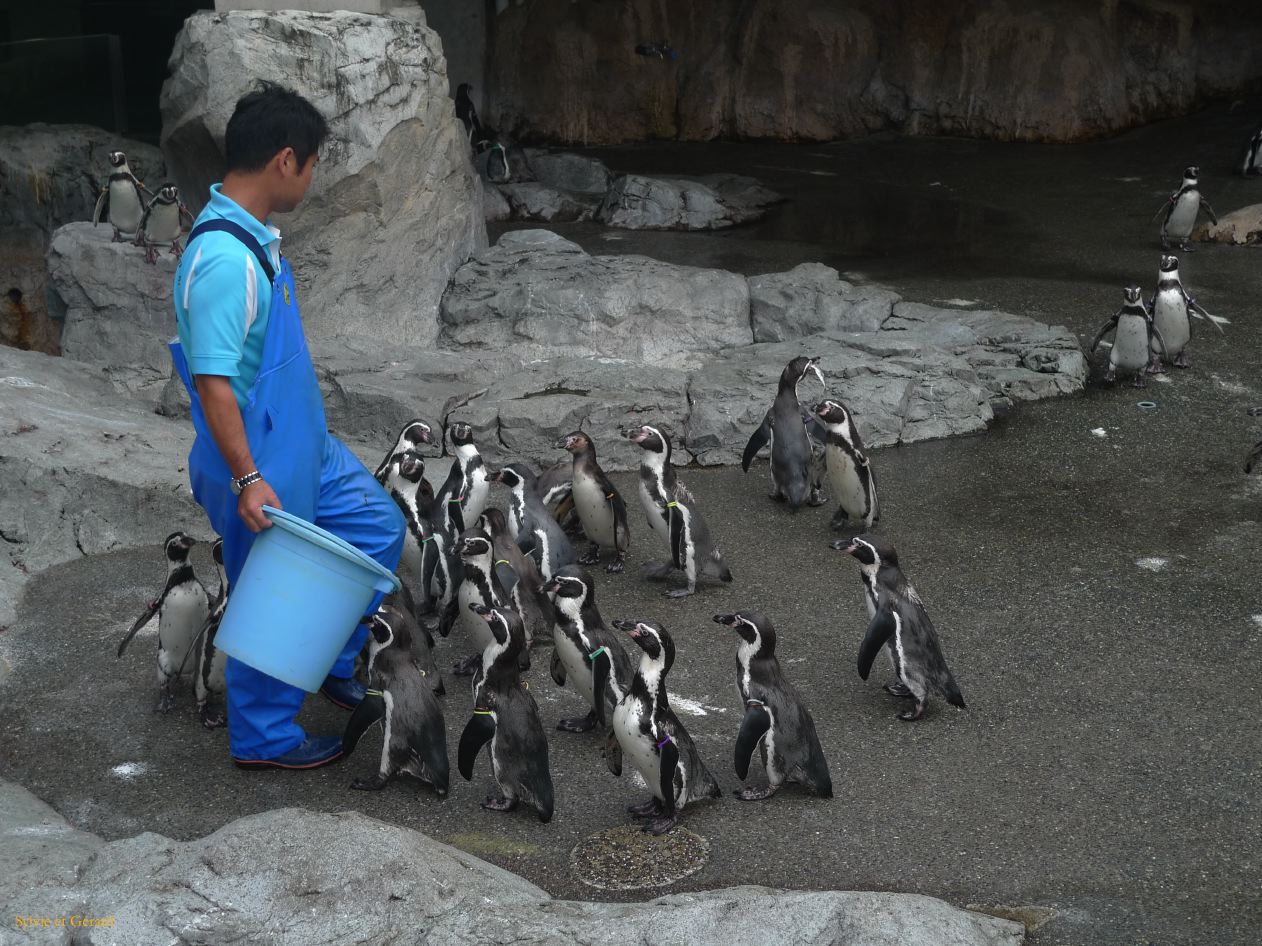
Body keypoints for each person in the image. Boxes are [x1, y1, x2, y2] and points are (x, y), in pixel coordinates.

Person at [170, 82, 405, 770]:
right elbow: (214, 385)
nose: (311, 176)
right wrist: (248, 477)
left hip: (302, 448)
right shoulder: (222, 260)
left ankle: (327, 656)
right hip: (258, 460)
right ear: (284, 161)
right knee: (270, 594)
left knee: (377, 530)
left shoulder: (254, 239)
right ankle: (265, 738)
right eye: (311, 163)